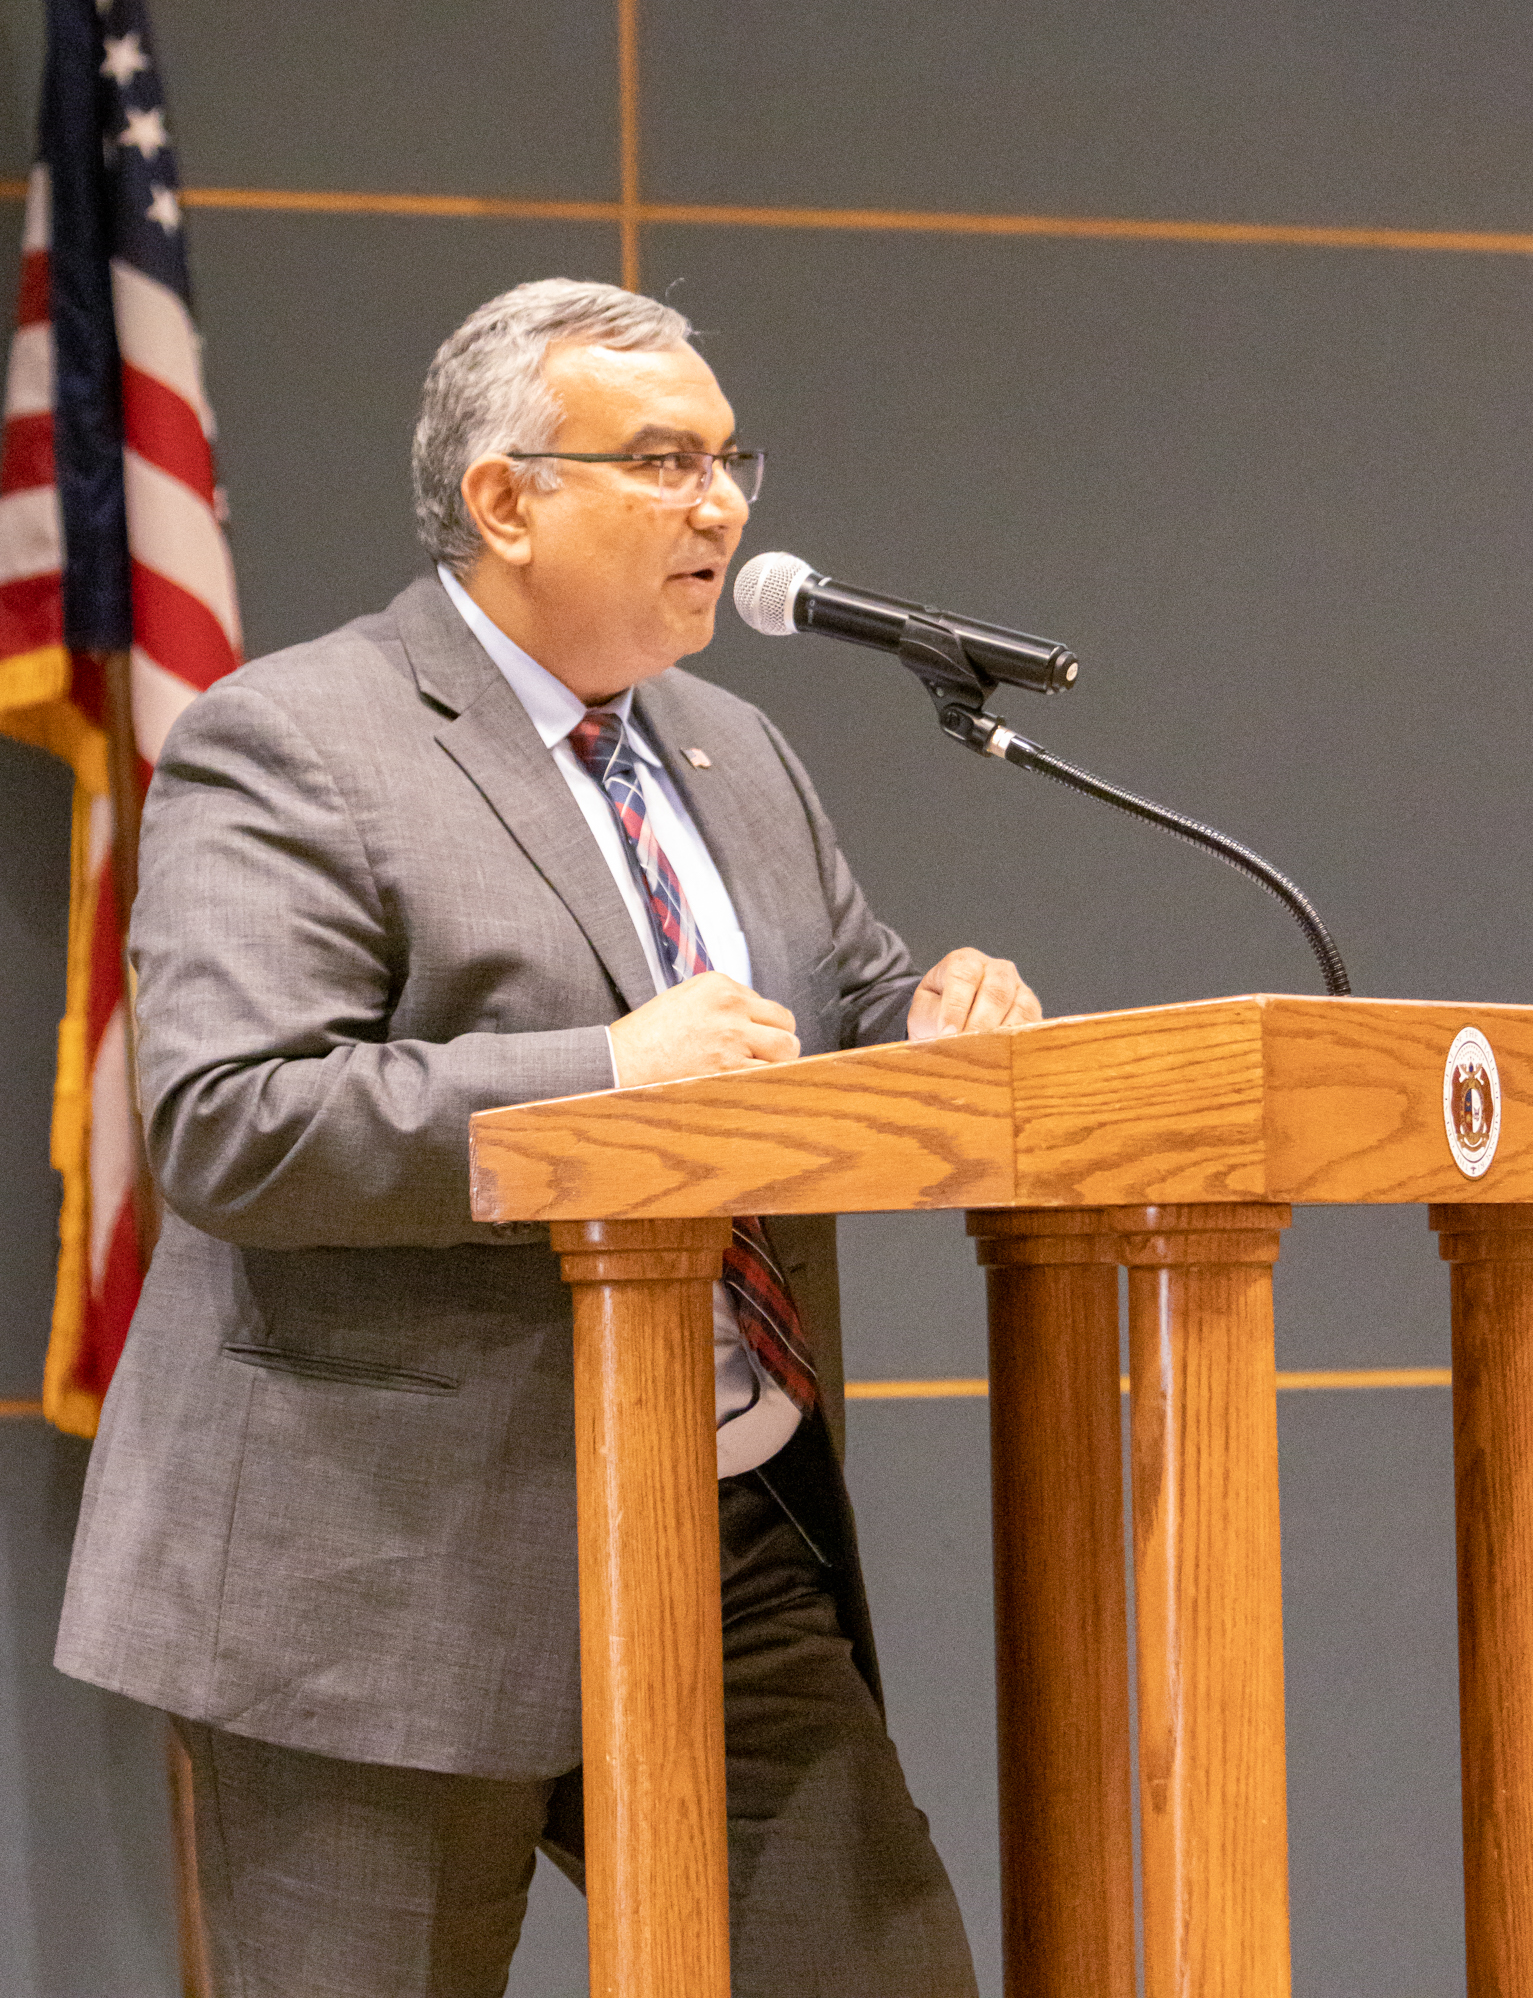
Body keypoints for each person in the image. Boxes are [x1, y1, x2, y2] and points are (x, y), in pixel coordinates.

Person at [56, 278, 1042, 1998]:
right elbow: (229, 1123)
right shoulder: (296, 740)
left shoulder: (735, 753)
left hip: (723, 1536)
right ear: (505, 497)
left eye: (731, 458)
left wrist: (934, 1025)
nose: (721, 505)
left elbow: (843, 1006)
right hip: (383, 1565)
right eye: (661, 459)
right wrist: (599, 1072)